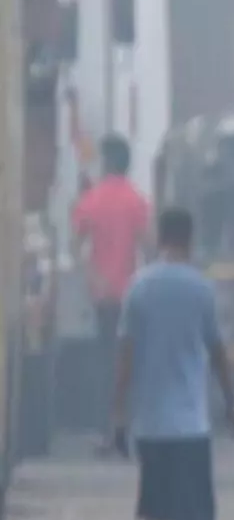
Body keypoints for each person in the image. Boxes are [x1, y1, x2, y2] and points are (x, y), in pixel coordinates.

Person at [110, 207, 234, 520]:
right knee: (185, 519)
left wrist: (118, 414)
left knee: (156, 513)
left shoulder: (139, 288)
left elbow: (125, 357)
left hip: (150, 423)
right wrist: (232, 404)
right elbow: (217, 352)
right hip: (189, 424)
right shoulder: (201, 289)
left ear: (160, 237)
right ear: (190, 237)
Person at [73, 133, 152, 454]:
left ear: (107, 162)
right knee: (132, 363)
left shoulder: (91, 201)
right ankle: (131, 431)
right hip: (132, 295)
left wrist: (95, 277)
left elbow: (76, 247)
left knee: (105, 364)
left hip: (103, 297)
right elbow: (149, 246)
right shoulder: (137, 201)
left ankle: (109, 434)